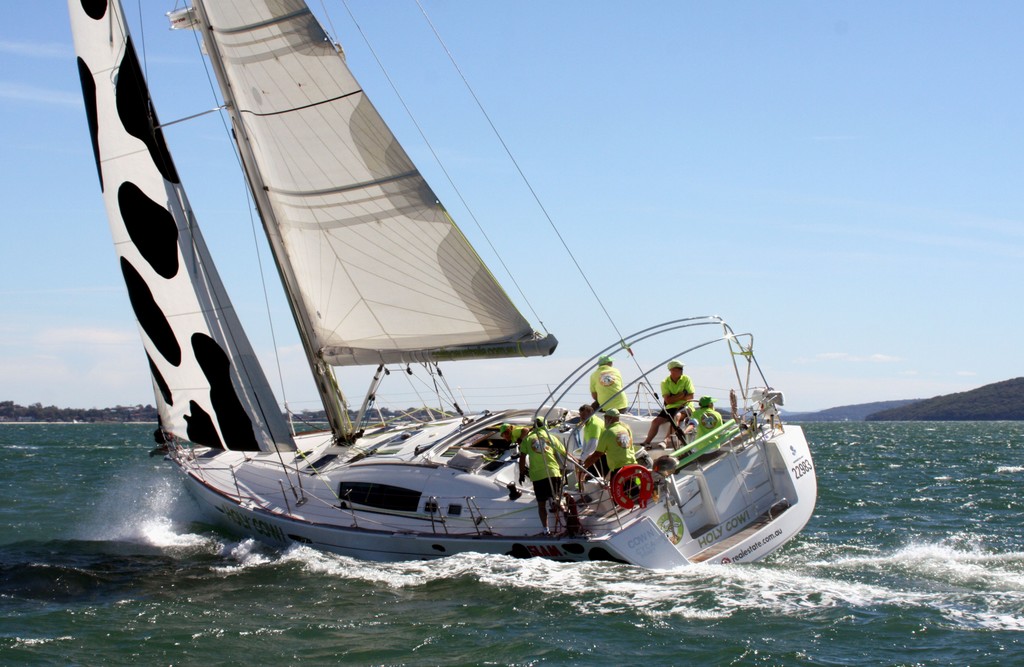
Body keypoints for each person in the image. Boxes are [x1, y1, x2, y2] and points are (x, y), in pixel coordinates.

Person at [519, 417, 568, 535]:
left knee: (541, 505)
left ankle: (546, 530)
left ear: (534, 426)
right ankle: (569, 522)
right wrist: (578, 461)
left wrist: (521, 473)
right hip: (553, 472)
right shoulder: (551, 437)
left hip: (538, 476)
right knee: (558, 500)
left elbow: (522, 459)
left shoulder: (528, 439)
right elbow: (564, 453)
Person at [640, 359, 694, 447]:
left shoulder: (687, 379)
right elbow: (668, 401)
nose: (681, 370)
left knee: (676, 417)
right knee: (655, 422)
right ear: (672, 370)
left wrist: (674, 397)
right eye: (679, 368)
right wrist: (683, 394)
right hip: (671, 407)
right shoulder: (664, 382)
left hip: (686, 406)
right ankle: (647, 442)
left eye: (681, 368)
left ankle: (666, 441)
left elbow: (690, 396)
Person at [582, 408, 636, 481]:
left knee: (618, 490)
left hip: (619, 468)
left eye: (605, 417)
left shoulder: (608, 432)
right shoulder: (626, 428)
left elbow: (597, 454)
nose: (605, 420)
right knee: (633, 489)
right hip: (633, 466)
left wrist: (584, 466)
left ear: (610, 418)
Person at [577, 403, 606, 479]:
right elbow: (586, 445)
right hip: (595, 455)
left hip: (600, 455)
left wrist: (582, 460)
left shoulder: (594, 424)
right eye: (581, 416)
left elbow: (592, 446)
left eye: (584, 417)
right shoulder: (587, 424)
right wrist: (581, 458)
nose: (582, 419)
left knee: (592, 479)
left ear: (590, 414)